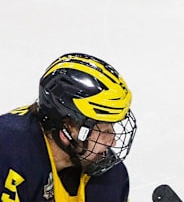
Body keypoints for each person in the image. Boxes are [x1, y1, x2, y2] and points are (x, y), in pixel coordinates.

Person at [0, 53, 137, 202]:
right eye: (103, 131)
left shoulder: (111, 179)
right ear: (68, 128)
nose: (113, 141)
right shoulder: (9, 154)